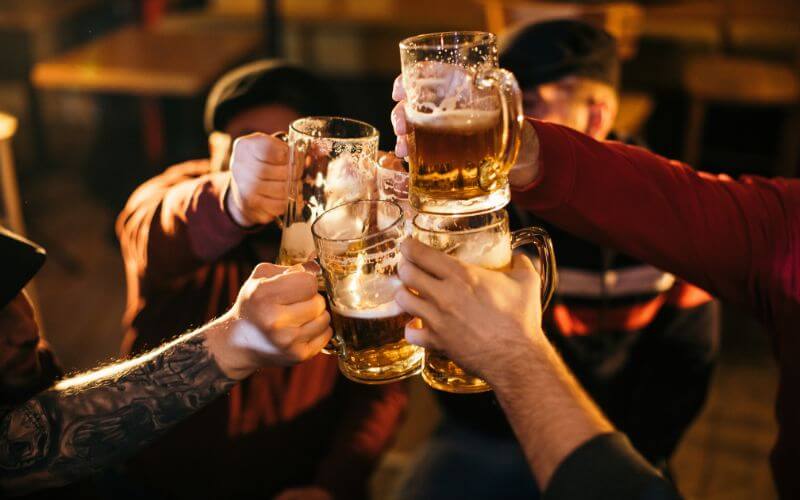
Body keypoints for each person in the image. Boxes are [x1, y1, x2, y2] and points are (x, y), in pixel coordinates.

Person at [391, 61, 800, 497]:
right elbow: (670, 203)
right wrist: (518, 145)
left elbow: (683, 373)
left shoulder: (682, 261)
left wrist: (517, 362)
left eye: (544, 98)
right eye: (525, 100)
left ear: (601, 112)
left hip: (615, 443)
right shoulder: (783, 223)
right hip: (493, 431)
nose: (535, 104)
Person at [117, 60, 407, 500]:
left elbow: (380, 388)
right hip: (156, 480)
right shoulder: (177, 192)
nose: (279, 167)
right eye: (252, 145)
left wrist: (334, 484)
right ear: (216, 149)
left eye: (296, 153)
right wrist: (232, 198)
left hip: (295, 482)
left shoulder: (352, 234)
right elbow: (156, 228)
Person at [0, 225, 332, 497]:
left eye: (17, 293)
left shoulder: (22, 362)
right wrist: (234, 341)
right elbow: (22, 446)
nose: (26, 329)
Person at [394, 237, 680, 500]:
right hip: (488, 429)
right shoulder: (489, 221)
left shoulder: (669, 228)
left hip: (621, 433)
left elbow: (683, 372)